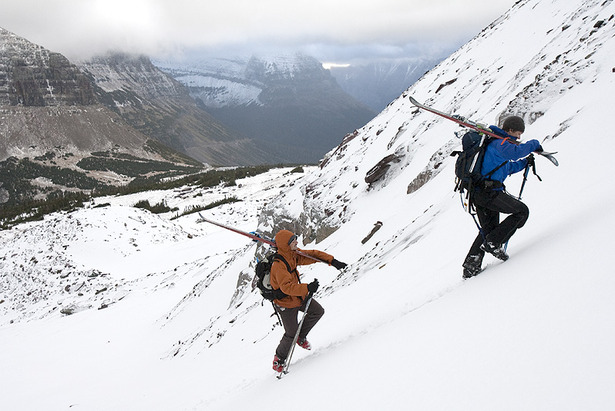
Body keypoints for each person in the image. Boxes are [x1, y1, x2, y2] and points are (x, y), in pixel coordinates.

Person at [462, 115, 542, 279]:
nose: (519, 137)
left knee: (488, 230)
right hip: (489, 193)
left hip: (478, 193)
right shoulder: (500, 143)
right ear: (510, 130)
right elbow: (516, 152)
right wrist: (535, 144)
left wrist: (525, 163)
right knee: (521, 212)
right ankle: (493, 244)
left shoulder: (494, 145)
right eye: (518, 133)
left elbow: (507, 167)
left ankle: (471, 266)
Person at [270, 229, 347, 372]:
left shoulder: (292, 255)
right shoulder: (278, 266)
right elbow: (287, 288)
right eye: (293, 241)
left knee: (317, 311)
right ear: (286, 245)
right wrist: (308, 288)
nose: (296, 242)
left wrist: (332, 261)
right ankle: (279, 359)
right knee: (290, 334)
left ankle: (301, 336)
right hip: (286, 304)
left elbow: (311, 255)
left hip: (298, 297)